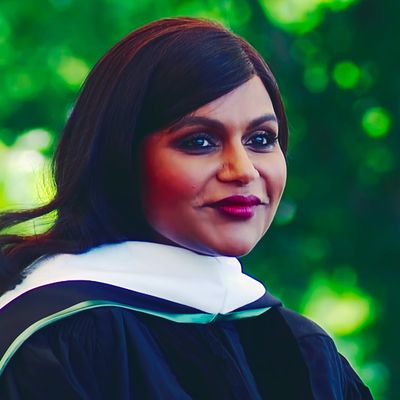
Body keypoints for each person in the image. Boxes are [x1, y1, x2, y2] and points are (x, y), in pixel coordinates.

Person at [0, 17, 373, 399]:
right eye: (199, 142)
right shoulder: (55, 343)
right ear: (120, 157)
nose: (243, 170)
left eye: (261, 139)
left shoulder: (304, 350)